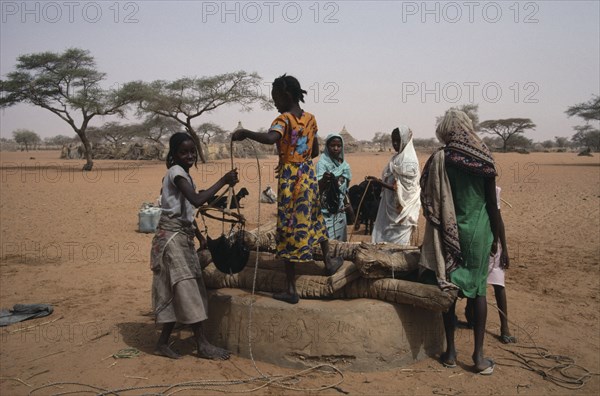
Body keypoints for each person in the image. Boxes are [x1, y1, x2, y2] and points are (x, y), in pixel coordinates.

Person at [231, 74, 343, 304]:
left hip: (291, 179)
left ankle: (291, 290)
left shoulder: (283, 119)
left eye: (275, 97)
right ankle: (329, 262)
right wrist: (298, 157)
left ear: (286, 95)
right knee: (315, 217)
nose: (274, 102)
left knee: (288, 225)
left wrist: (246, 133)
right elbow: (313, 152)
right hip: (308, 175)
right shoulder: (311, 119)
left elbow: (271, 138)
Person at [418, 109, 500, 375]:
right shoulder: (484, 158)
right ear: (467, 127)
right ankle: (478, 357)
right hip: (479, 232)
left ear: (445, 129)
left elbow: (428, 199)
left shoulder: (441, 158)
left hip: (447, 233)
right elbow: (492, 205)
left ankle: (450, 352)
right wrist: (500, 239)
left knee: (449, 287)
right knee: (477, 291)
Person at [151, 132, 238, 360]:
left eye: (192, 151)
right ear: (174, 155)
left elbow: (187, 211)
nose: (189, 155)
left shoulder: (185, 176)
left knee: (177, 288)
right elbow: (197, 201)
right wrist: (223, 181)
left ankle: (162, 343)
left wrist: (199, 236)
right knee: (188, 288)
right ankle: (202, 344)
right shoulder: (177, 174)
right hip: (172, 238)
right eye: (183, 152)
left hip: (181, 235)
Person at [465, 186, 515, 344]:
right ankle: (471, 315)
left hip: (492, 244)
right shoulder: (470, 188)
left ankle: (504, 327)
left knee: (499, 285)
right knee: (475, 283)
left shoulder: (494, 190)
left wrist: (503, 247)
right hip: (475, 241)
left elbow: (498, 219)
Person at [369, 126, 421, 245]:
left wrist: (378, 182)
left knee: (400, 240)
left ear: (406, 140)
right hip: (391, 205)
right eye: (393, 140)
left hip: (403, 210)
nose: (395, 144)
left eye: (398, 140)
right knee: (386, 237)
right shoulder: (396, 158)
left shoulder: (408, 161)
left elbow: (403, 190)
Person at [316, 133, 352, 241]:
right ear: (327, 146)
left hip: (340, 211)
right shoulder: (322, 164)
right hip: (326, 211)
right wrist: (324, 180)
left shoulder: (344, 166)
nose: (336, 148)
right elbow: (317, 187)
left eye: (339, 146)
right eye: (332, 145)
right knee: (328, 241)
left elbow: (344, 190)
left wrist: (349, 207)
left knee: (340, 245)